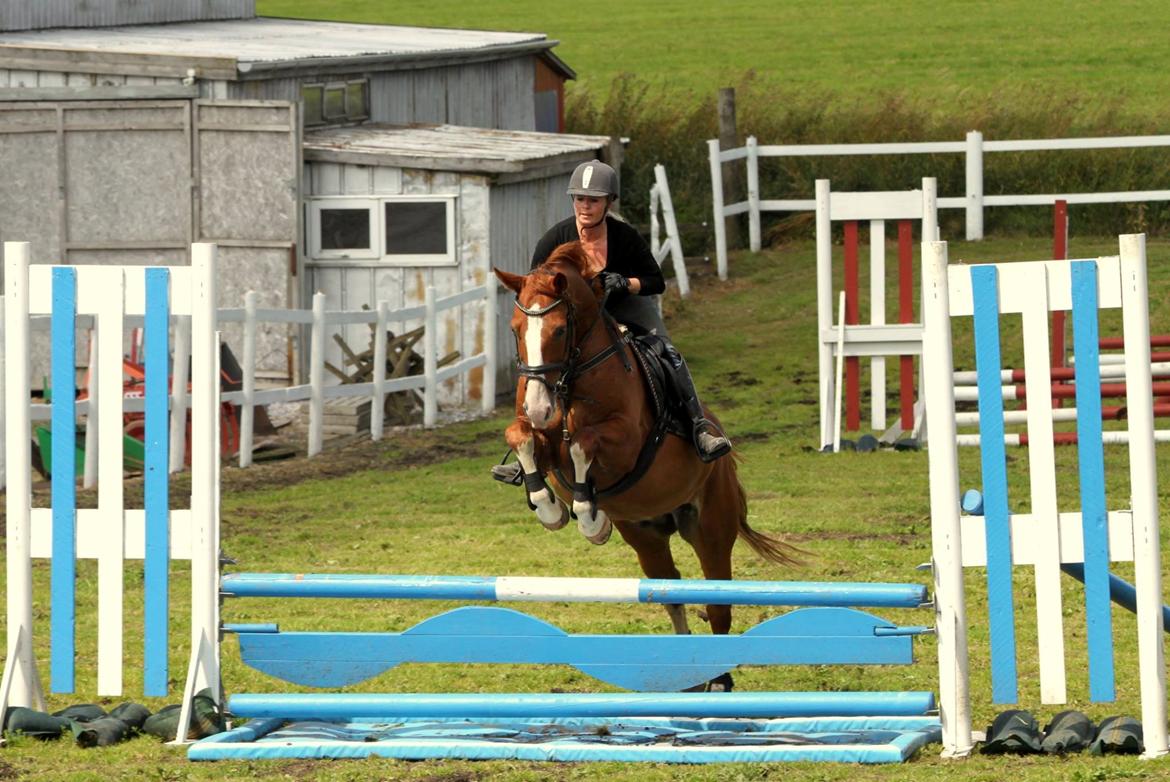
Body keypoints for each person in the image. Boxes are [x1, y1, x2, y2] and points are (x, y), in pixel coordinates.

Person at [493, 160, 730, 485]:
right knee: (542, 363)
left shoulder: (624, 236)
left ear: (609, 202)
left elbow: (655, 281)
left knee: (667, 352)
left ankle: (698, 427)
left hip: (626, 307)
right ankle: (528, 451)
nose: (585, 206)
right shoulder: (556, 237)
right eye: (579, 199)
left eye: (593, 200)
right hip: (578, 319)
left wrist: (627, 283)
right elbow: (537, 286)